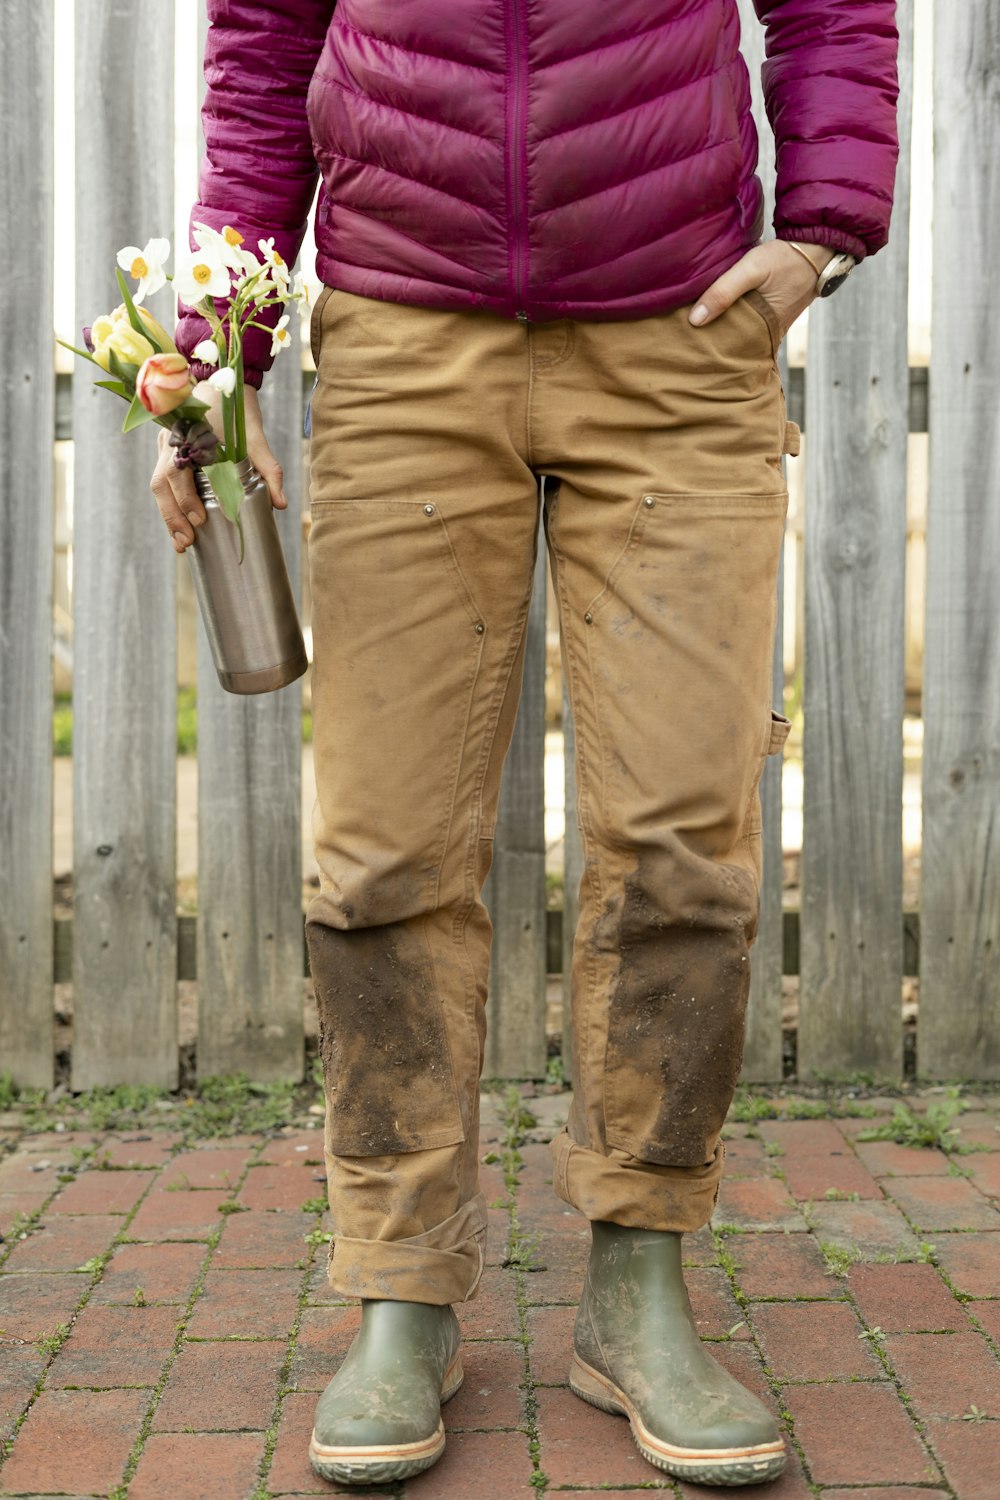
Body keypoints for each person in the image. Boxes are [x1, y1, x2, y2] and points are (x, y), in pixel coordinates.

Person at [151, 0, 899, 1487]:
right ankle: (399, 1291)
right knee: (381, 851)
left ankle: (639, 1283)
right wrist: (213, 363)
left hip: (682, 344)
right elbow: (260, 51)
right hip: (407, 347)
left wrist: (822, 231)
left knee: (684, 837)